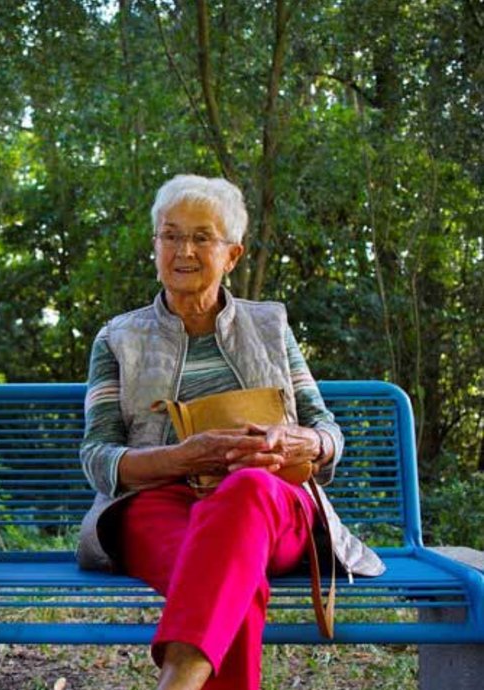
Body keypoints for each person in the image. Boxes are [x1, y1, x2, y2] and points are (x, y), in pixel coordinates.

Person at [75, 174, 385, 690]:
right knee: (227, 582)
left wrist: (305, 441)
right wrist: (182, 458)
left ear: (233, 254)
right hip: (159, 501)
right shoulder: (118, 338)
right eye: (170, 235)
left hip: (271, 499)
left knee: (247, 491)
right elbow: (97, 457)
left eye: (202, 237)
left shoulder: (270, 326)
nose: (184, 250)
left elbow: (326, 429)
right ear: (155, 245)